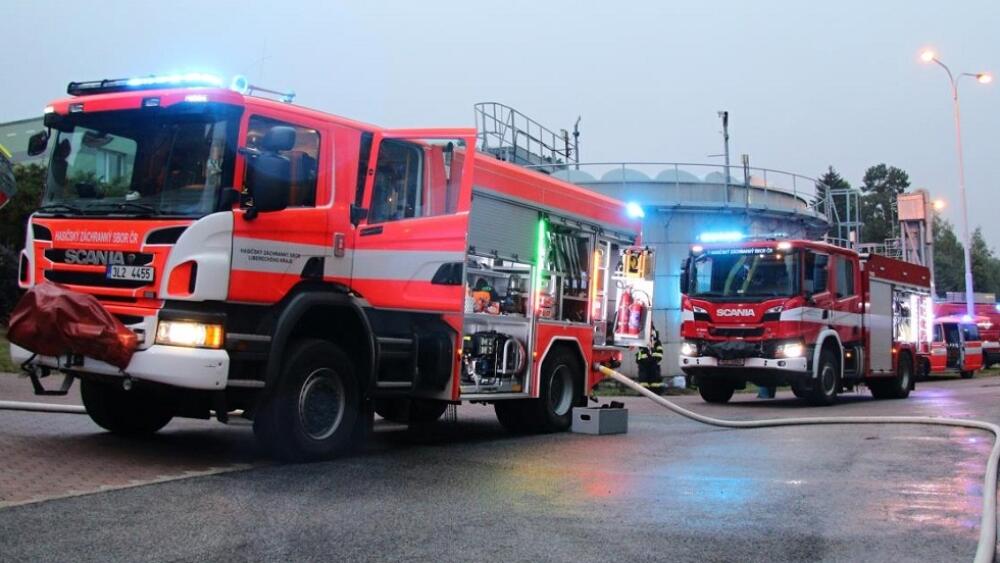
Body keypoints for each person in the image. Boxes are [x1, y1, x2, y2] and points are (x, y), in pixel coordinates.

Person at [635, 325, 664, 392]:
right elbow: (641, 351)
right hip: (643, 363)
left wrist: (654, 358)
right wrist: (640, 359)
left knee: (654, 377)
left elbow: (660, 352)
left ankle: (656, 390)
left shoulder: (656, 341)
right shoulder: (643, 340)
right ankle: (643, 391)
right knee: (643, 377)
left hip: (653, 363)